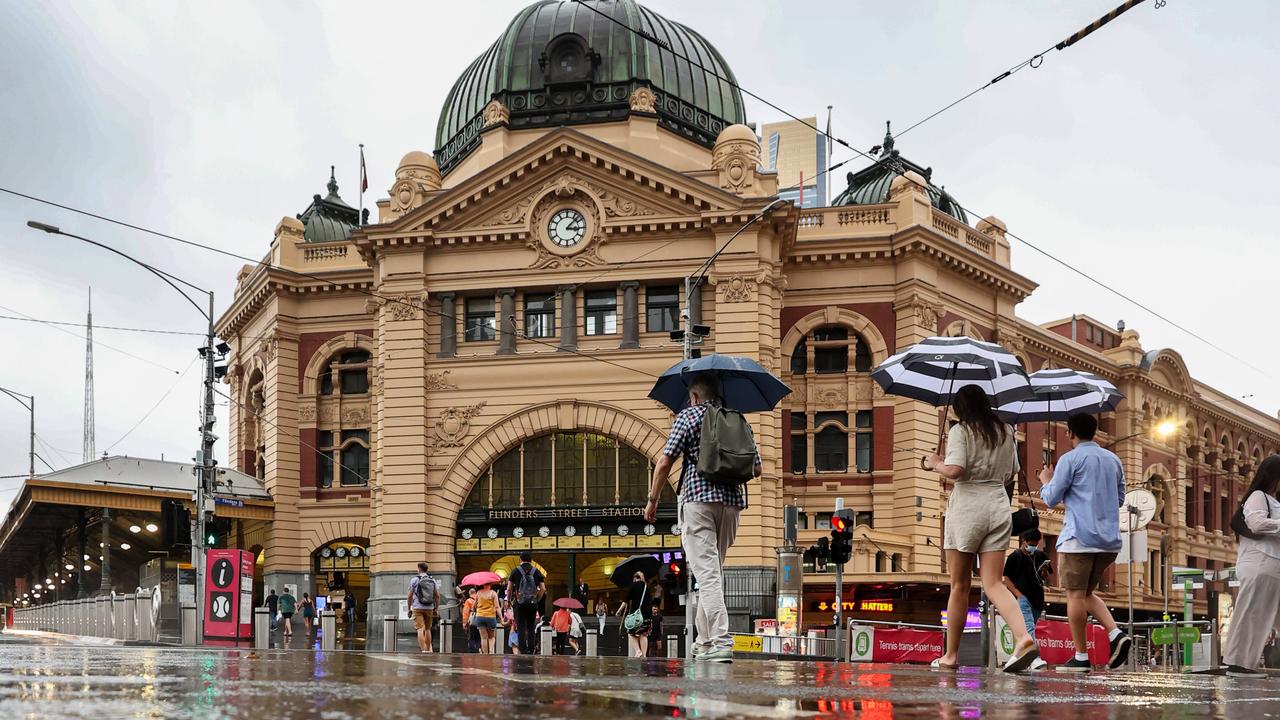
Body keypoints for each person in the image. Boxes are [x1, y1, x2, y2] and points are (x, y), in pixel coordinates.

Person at [645, 372, 760, 663]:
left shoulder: (688, 416)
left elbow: (664, 462)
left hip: (698, 501)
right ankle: (703, 640)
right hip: (732, 504)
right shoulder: (738, 420)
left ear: (694, 396)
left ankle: (721, 641)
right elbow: (756, 468)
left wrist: (653, 501)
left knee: (707, 576)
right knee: (710, 573)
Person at [925, 384, 1038, 672]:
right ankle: (1024, 638)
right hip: (998, 505)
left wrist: (935, 463)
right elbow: (1012, 470)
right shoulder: (1006, 430)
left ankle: (950, 656)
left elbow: (955, 470)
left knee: (960, 585)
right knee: (994, 583)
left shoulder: (960, 430)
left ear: (961, 408)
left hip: (968, 507)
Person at [1038, 412, 1132, 673]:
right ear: (1095, 432)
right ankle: (1115, 634)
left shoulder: (1070, 459)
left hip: (1079, 538)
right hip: (1108, 542)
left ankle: (1080, 656)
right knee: (1087, 594)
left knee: (1075, 596)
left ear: (1071, 433)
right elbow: (1121, 498)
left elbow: (1050, 498)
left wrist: (1046, 480)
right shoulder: (1113, 460)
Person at [1221, 456, 1280, 678]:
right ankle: (1238, 664)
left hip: (1272, 566)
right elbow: (1256, 524)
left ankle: (1242, 664)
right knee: (1251, 613)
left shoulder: (1274, 501)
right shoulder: (1258, 496)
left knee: (1260, 615)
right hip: (1259, 563)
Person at [1003, 529, 1052, 670]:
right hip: (1023, 598)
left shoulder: (1041, 555)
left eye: (1036, 544)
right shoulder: (1015, 557)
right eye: (1031, 544)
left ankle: (1014, 659)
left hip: (1037, 598)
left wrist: (1044, 571)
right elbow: (1006, 578)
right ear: (1023, 541)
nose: (1033, 547)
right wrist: (1018, 594)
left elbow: (1045, 577)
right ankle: (1035, 658)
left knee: (1028, 629)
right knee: (1029, 627)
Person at [506, 551, 545, 655]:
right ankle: (531, 649)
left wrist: (508, 600)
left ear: (520, 560)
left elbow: (509, 588)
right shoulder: (537, 571)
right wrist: (537, 599)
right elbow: (543, 589)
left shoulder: (515, 571)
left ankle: (523, 650)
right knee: (531, 626)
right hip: (532, 603)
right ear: (531, 560)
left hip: (519, 603)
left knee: (521, 626)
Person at [616, 571, 653, 658]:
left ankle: (638, 651)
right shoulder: (646, 587)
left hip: (636, 615)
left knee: (630, 633)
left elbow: (625, 601)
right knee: (643, 634)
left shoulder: (633, 586)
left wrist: (619, 611)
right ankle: (643, 655)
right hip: (647, 614)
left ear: (635, 578)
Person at [407, 561, 441, 653]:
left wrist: (409, 608)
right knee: (428, 629)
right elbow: (437, 596)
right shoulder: (432, 580)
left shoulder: (414, 580)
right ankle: (428, 649)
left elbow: (409, 596)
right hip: (429, 607)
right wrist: (436, 609)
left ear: (419, 569)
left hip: (417, 607)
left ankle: (423, 650)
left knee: (420, 629)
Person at [472, 582, 500, 654]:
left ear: (483, 584)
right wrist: (501, 617)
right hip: (490, 616)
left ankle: (485, 654)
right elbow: (497, 607)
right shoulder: (493, 593)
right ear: (491, 584)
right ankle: (491, 651)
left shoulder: (478, 593)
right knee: (491, 637)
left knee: (483, 638)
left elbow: (474, 605)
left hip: (480, 616)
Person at [461, 587, 481, 653]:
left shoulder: (468, 601)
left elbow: (466, 612)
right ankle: (478, 649)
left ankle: (472, 651)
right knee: (478, 636)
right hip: (480, 620)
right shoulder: (480, 599)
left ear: (469, 594)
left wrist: (464, 622)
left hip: (472, 621)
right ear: (475, 593)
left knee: (471, 636)